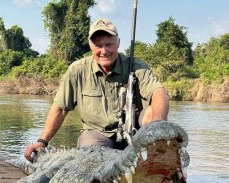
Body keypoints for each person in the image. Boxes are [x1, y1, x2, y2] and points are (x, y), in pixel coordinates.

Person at [24, 18, 169, 162]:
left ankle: (156, 161)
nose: (104, 51)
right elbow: (60, 109)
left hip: (134, 132)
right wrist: (42, 142)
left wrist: (158, 128)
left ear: (118, 43)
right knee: (90, 155)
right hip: (97, 135)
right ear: (90, 46)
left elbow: (159, 92)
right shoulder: (77, 70)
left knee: (152, 113)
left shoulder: (137, 66)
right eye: (98, 45)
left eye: (108, 44)